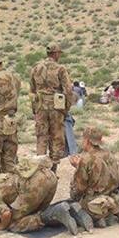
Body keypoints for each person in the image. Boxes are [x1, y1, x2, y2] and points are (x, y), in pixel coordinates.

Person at [0, 155, 78, 235]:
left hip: (34, 183)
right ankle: (70, 208)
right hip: (50, 175)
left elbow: (6, 213)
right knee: (38, 211)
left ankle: (54, 213)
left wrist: (2, 225)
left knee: (13, 223)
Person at [69, 127, 119, 228]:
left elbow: (80, 188)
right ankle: (116, 208)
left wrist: (78, 169)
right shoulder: (108, 154)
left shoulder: (85, 160)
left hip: (95, 200)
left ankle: (101, 217)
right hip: (112, 193)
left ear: (87, 141)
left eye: (83, 139)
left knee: (75, 206)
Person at [29, 43, 73, 171]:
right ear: (55, 53)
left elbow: (32, 90)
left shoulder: (36, 68)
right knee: (56, 136)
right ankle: (53, 169)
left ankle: (40, 169)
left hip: (40, 106)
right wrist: (65, 109)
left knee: (41, 136)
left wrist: (34, 108)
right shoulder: (60, 69)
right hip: (56, 108)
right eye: (59, 53)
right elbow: (68, 91)